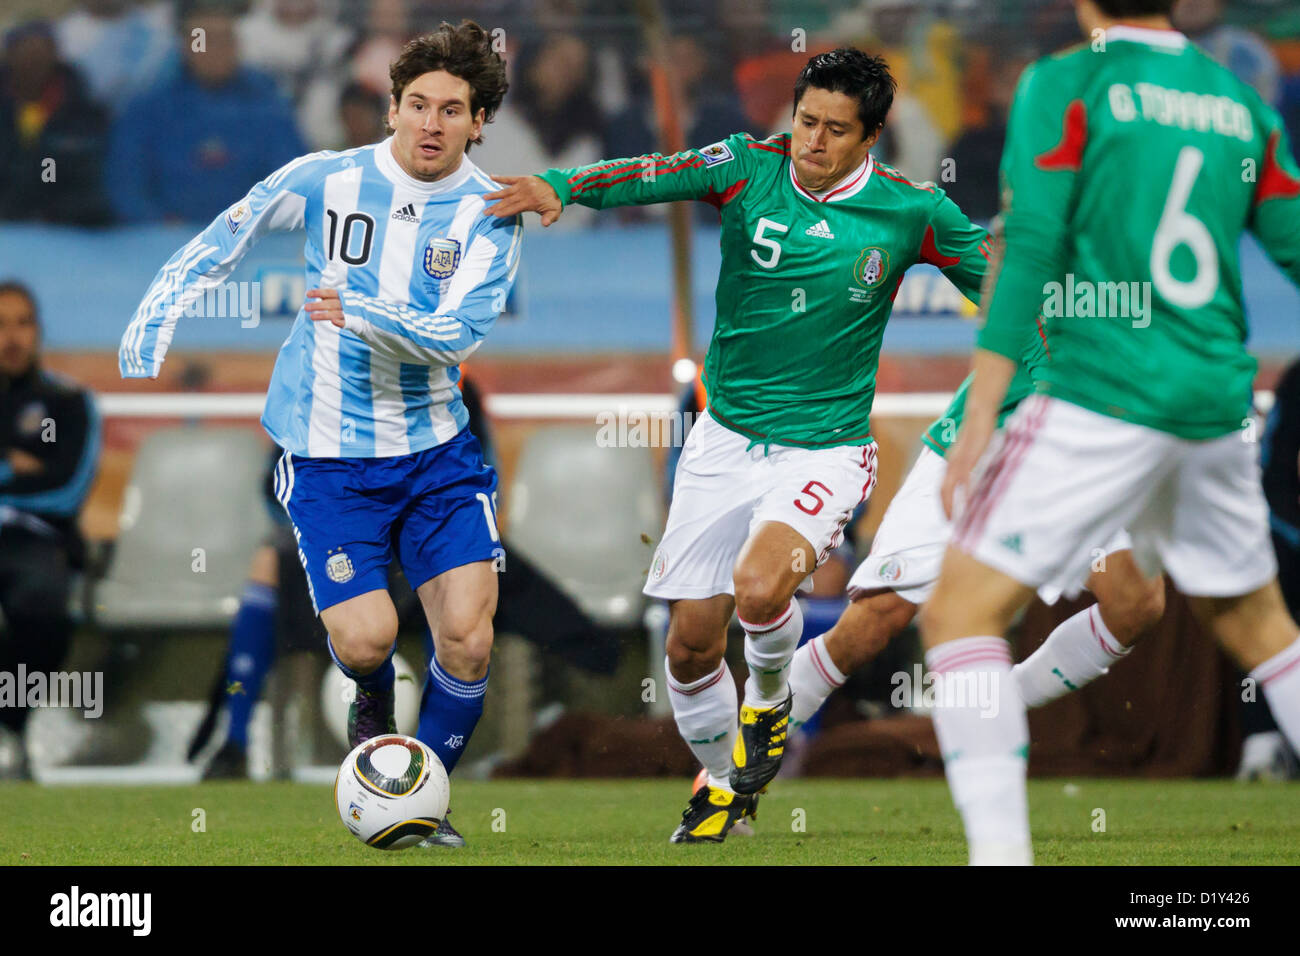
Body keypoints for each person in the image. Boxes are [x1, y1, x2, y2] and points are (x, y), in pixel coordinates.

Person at [487, 48, 991, 843]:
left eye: (835, 130)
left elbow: (1002, 292)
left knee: (760, 591)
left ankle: (769, 703)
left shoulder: (914, 211)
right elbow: (651, 171)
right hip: (722, 442)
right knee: (689, 648)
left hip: (824, 448)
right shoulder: (744, 166)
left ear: (873, 137)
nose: (813, 142)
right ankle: (727, 789)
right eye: (805, 122)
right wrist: (564, 185)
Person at [119, 20, 521, 848]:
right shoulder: (326, 178)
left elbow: (455, 339)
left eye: (452, 109)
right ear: (393, 108)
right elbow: (227, 232)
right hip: (330, 455)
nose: (431, 123)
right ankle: (371, 702)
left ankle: (423, 799)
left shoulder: (493, 212)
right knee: (369, 637)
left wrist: (362, 309)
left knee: (469, 639)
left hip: (436, 453)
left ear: (480, 121)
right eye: (417, 104)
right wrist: (158, 313)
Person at [925, 0, 1300, 865]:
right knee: (1259, 626)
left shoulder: (1066, 82)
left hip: (1103, 389)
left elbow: (1032, 243)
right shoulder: (1238, 100)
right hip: (1210, 397)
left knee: (958, 614)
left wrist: (983, 407)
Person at [0, 281, 102, 778]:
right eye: (1, 324)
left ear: (38, 331)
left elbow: (66, 489)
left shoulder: (67, 402)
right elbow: (42, 473)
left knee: (42, 606)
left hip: (38, 537)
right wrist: (16, 466)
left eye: (22, 323)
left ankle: (10, 726)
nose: (11, 336)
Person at [105, 0, 306, 223]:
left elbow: (293, 177)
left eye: (224, 40)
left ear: (237, 46)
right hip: (166, 241)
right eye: (203, 41)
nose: (214, 51)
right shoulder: (147, 108)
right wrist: (158, 223)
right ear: (184, 48)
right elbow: (126, 183)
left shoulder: (268, 105)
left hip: (256, 238)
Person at [0, 21, 113, 225]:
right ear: (9, 56)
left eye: (41, 51)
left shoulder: (85, 117)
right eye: (24, 51)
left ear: (55, 55)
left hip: (66, 236)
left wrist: (58, 213)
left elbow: (95, 183)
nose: (33, 60)